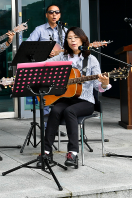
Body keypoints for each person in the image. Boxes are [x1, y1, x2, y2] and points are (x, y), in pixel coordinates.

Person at [42, 27, 110, 168]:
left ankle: (73, 153)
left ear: (83, 39)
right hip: (65, 98)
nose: (72, 40)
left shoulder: (91, 60)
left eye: (76, 37)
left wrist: (104, 84)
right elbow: (45, 66)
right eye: (69, 38)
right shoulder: (62, 57)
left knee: (69, 112)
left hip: (85, 101)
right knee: (54, 111)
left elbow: (98, 86)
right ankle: (46, 152)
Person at [26, 4, 67, 133]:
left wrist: (59, 52)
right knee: (46, 98)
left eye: (57, 12)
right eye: (51, 12)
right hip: (44, 68)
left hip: (60, 68)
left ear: (60, 15)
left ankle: (55, 126)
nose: (54, 14)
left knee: (59, 97)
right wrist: (44, 52)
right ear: (46, 15)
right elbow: (28, 47)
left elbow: (70, 48)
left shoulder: (64, 31)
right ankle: (46, 128)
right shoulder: (39, 30)